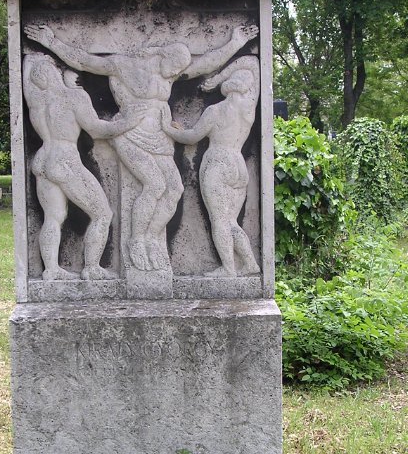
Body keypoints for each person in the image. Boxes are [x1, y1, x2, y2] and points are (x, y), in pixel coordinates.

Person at [24, 22, 259, 272]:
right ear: (163, 57)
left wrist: (235, 43)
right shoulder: (123, 65)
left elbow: (205, 65)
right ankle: (136, 240)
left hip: (160, 136)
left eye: (177, 71)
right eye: (173, 68)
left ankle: (151, 237)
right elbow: (84, 61)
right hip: (130, 133)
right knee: (155, 185)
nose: (174, 75)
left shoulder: (170, 71)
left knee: (174, 189)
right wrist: (51, 42)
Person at [23, 53, 146, 281]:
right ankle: (91, 267)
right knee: (102, 214)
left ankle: (51, 269)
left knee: (53, 217)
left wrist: (34, 58)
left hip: (42, 160)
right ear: (55, 73)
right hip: (65, 160)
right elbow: (97, 130)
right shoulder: (73, 96)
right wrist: (128, 123)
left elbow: (27, 71)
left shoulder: (36, 99)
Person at [161, 55, 261, 278]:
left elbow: (192, 137)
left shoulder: (215, 111)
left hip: (218, 162)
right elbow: (252, 63)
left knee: (219, 220)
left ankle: (228, 268)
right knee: (230, 221)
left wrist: (169, 130)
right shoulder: (248, 110)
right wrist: (222, 76)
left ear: (227, 88)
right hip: (238, 165)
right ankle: (250, 264)